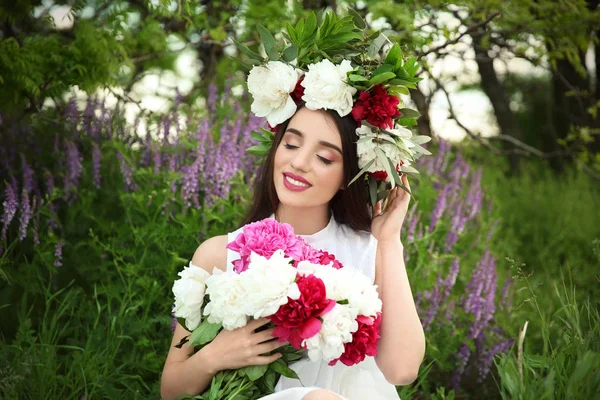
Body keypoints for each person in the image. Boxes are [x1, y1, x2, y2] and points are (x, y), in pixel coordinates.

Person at [160, 102, 426, 400]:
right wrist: (214, 357)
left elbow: (402, 370)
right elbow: (171, 390)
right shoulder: (221, 254)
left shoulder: (368, 252)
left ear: (347, 178)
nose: (299, 162)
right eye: (291, 144)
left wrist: (389, 243)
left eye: (325, 158)